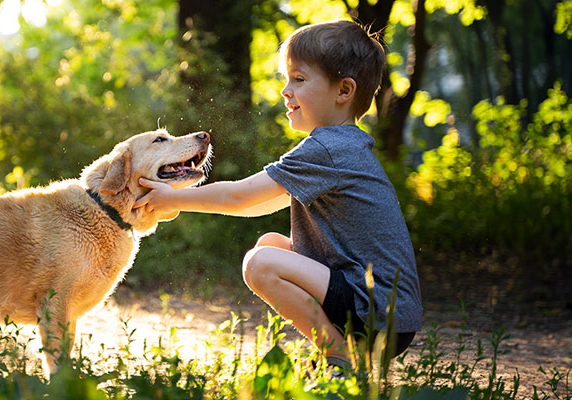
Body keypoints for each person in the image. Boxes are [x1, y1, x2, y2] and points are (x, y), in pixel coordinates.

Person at [133, 20, 422, 369]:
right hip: (385, 311)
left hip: (377, 315)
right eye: (286, 79)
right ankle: (338, 348)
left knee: (260, 264)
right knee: (269, 244)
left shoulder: (327, 149)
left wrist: (174, 198)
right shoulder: (343, 146)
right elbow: (256, 204)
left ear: (343, 90)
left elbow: (239, 197)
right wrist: (186, 201)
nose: (286, 90)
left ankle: (339, 354)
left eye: (299, 79)